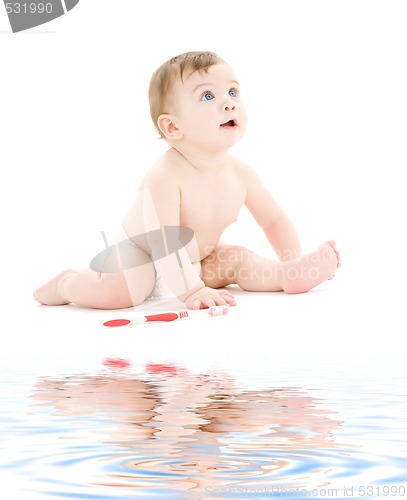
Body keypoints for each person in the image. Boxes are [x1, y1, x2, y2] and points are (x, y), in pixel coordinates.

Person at [34, 51, 340, 311]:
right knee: (122, 290)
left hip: (200, 256)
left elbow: (273, 221)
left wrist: (292, 256)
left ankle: (288, 273)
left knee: (239, 259)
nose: (228, 103)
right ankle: (67, 285)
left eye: (232, 92)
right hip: (142, 254)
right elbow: (164, 242)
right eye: (208, 96)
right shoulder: (165, 175)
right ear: (172, 126)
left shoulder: (241, 173)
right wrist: (192, 291)